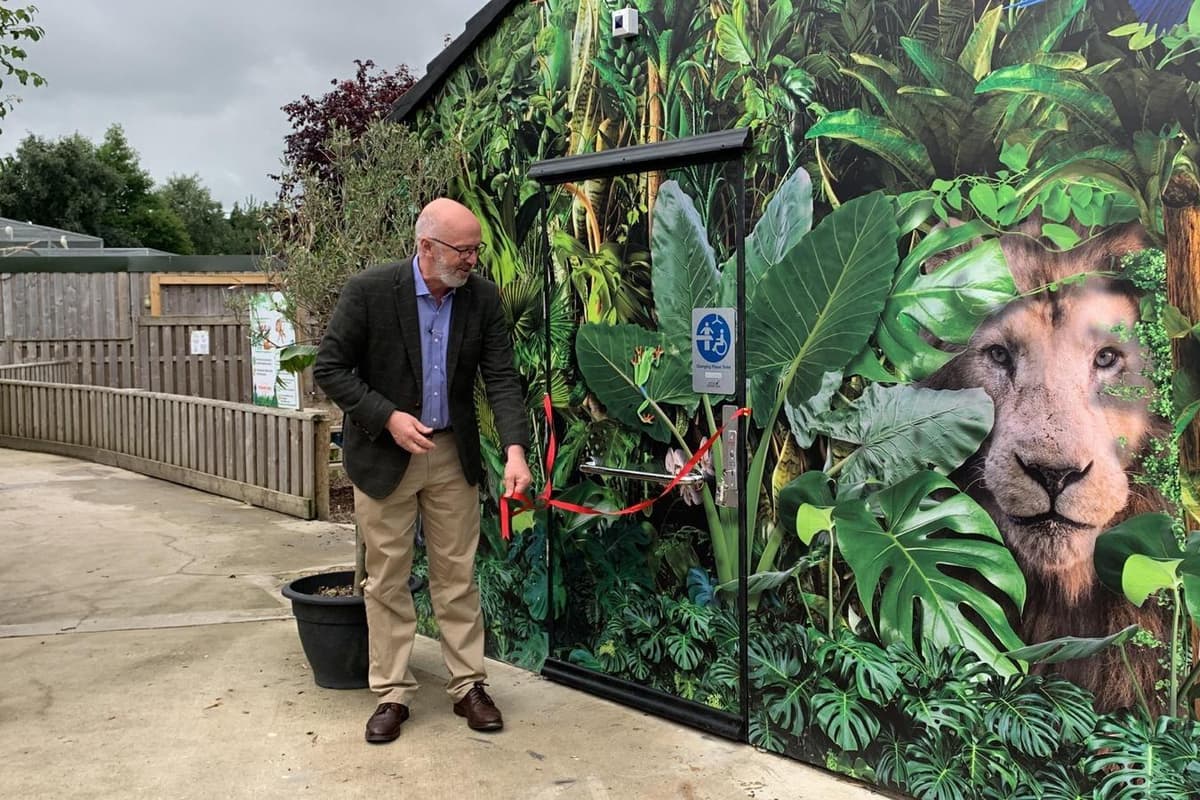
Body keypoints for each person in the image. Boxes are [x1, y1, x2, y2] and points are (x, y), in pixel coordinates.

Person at [313, 198, 532, 744]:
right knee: (387, 578)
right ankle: (392, 693)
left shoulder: (481, 298)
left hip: (452, 454)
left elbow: (501, 377)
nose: (472, 260)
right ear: (426, 247)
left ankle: (468, 685)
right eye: (463, 250)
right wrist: (387, 417)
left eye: (476, 250)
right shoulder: (370, 291)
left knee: (457, 574)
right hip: (385, 454)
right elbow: (330, 369)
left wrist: (514, 451)